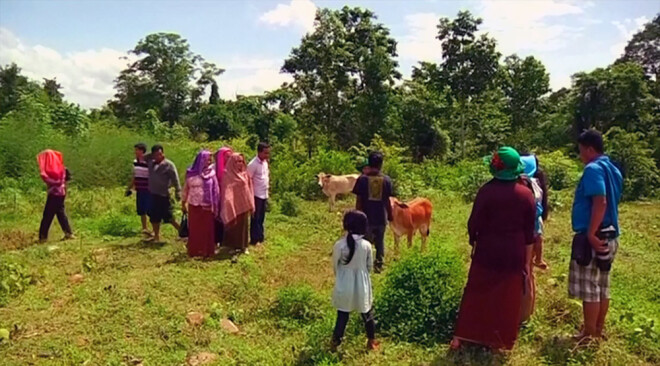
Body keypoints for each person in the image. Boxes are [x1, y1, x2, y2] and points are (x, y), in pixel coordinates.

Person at [451, 146, 536, 351]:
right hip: (513, 253)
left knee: (476, 291)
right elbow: (529, 232)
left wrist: (474, 241)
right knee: (507, 296)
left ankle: (462, 336)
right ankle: (500, 340)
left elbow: (474, 223)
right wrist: (527, 261)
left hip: (487, 250)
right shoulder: (526, 195)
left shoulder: (486, 191)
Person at [569, 129, 622, 340]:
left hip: (596, 236)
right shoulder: (613, 169)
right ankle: (598, 331)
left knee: (590, 287)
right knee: (603, 285)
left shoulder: (593, 169)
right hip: (611, 233)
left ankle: (588, 334)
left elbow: (600, 201)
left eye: (581, 151)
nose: (580, 156)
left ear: (590, 149)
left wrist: (591, 233)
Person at [331, 210, 379, 352]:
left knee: (342, 316)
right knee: (367, 314)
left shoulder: (339, 245)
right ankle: (371, 341)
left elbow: (335, 265)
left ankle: (335, 343)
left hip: (344, 284)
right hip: (362, 284)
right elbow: (369, 266)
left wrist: (341, 277)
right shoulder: (367, 245)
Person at [352, 151, 393, 273]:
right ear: (381, 164)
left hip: (366, 218)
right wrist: (390, 214)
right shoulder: (386, 180)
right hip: (381, 217)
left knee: (365, 243)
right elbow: (387, 200)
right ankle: (379, 266)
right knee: (380, 243)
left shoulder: (362, 180)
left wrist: (357, 216)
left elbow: (358, 200)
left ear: (369, 164)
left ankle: (365, 266)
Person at [182, 150, 219, 258]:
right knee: (195, 229)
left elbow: (215, 190)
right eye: (206, 160)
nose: (208, 162)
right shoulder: (191, 174)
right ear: (200, 160)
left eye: (210, 160)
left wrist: (215, 205)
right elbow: (186, 189)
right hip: (194, 205)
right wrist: (183, 202)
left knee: (206, 229)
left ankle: (206, 251)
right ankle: (195, 251)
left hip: (207, 206)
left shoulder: (211, 174)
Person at [146, 144, 181, 243]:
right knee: (154, 217)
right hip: (153, 194)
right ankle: (156, 236)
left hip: (164, 195)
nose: (159, 156)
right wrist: (152, 154)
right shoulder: (150, 163)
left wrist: (178, 191)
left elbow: (175, 179)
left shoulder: (168, 165)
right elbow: (143, 157)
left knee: (169, 217)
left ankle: (183, 233)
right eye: (156, 155)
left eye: (160, 154)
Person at [221, 153, 255, 255]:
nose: (239, 164)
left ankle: (243, 246)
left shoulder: (245, 174)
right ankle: (233, 246)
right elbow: (227, 190)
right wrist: (229, 203)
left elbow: (250, 189)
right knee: (233, 226)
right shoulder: (228, 175)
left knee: (244, 226)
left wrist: (251, 203)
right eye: (237, 161)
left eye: (241, 161)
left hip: (243, 205)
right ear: (232, 163)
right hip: (233, 205)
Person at [37, 150, 74, 242]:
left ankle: (43, 237)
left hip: (54, 194)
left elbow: (48, 180)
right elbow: (66, 180)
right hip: (61, 193)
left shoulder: (49, 170)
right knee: (60, 213)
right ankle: (68, 233)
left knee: (47, 215)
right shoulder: (62, 168)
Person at [521, 154, 549, 270]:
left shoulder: (530, 183)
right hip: (535, 217)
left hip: (533, 217)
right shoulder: (536, 181)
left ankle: (538, 258)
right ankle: (538, 258)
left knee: (537, 238)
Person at [125, 143, 152, 236]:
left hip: (148, 189)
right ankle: (144, 228)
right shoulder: (135, 162)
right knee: (141, 209)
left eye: (137, 150)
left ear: (142, 151)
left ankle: (154, 229)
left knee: (150, 209)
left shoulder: (148, 162)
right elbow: (135, 176)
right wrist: (130, 188)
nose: (135, 152)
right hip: (139, 189)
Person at [247, 142, 270, 246]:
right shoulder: (253, 164)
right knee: (255, 218)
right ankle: (254, 239)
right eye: (265, 153)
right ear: (259, 152)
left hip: (264, 193)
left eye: (268, 153)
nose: (267, 155)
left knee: (261, 217)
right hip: (256, 194)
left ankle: (260, 237)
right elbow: (248, 179)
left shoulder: (265, 163)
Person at [214, 146, 233, 244]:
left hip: (229, 196)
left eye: (230, 157)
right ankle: (218, 239)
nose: (229, 159)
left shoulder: (232, 168)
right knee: (218, 218)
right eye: (227, 157)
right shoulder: (213, 168)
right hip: (217, 196)